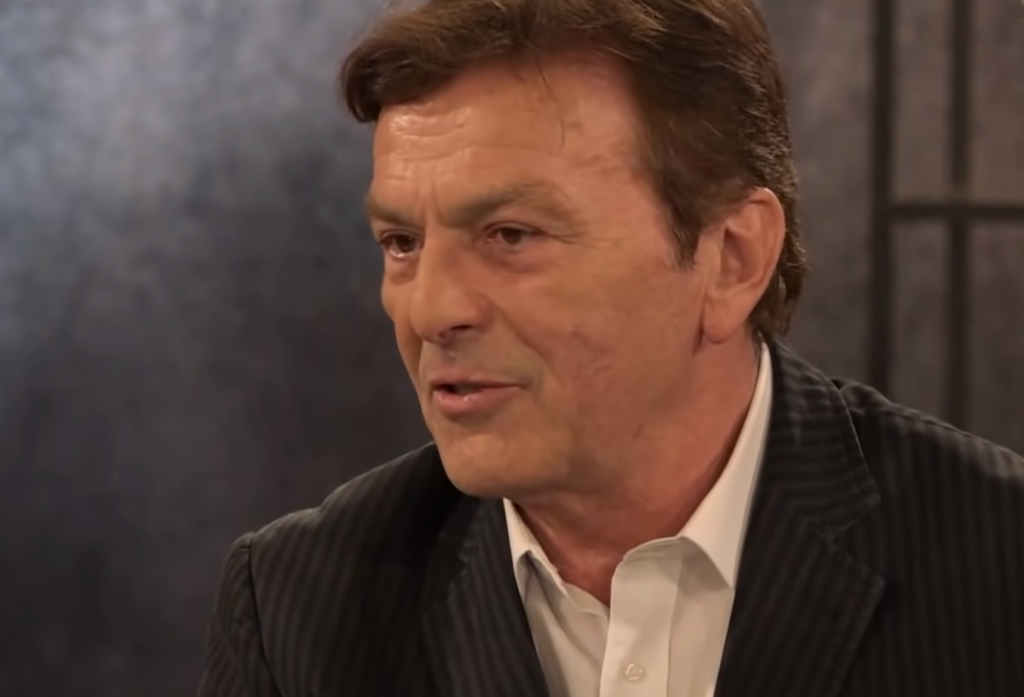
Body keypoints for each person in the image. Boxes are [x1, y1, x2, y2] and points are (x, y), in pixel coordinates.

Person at [196, 0, 1024, 695]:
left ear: (733, 258)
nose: (433, 309)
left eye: (511, 235)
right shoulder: (298, 613)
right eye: (401, 242)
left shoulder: (999, 566)